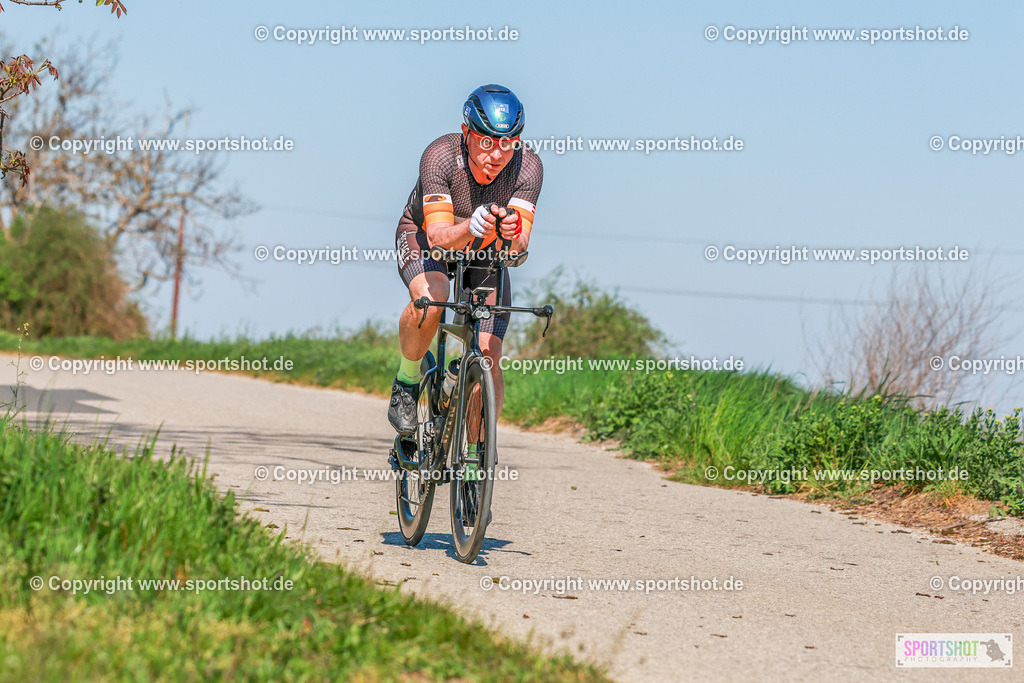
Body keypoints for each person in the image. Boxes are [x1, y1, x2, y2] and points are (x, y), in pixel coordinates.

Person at [388, 84, 543, 441]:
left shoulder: (529, 167)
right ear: (466, 133)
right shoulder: (440, 156)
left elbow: (518, 248)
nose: (497, 153)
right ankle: (407, 381)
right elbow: (440, 237)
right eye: (486, 141)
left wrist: (510, 233)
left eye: (508, 142)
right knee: (433, 298)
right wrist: (469, 225)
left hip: (484, 249)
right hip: (426, 236)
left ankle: (476, 459)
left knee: (489, 351)